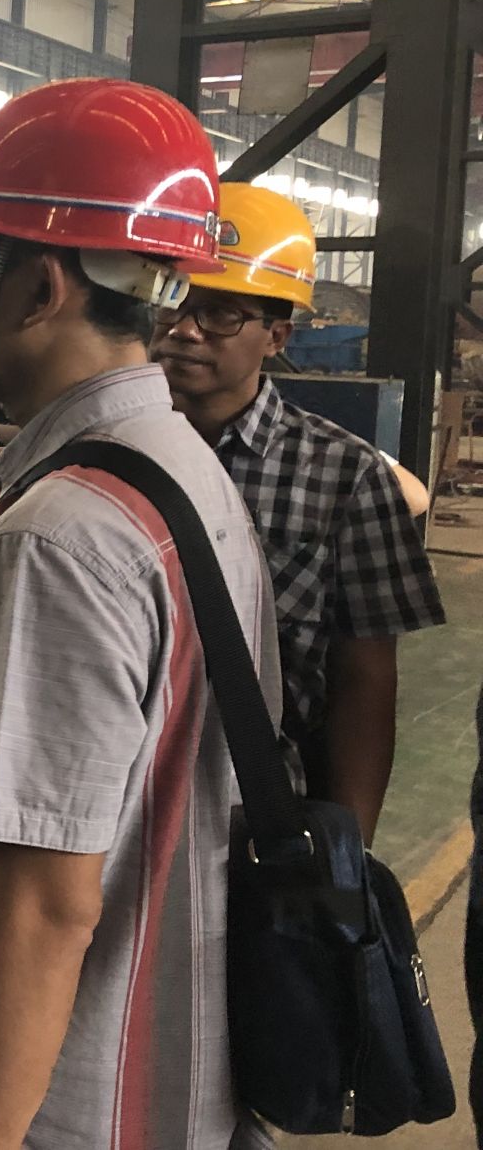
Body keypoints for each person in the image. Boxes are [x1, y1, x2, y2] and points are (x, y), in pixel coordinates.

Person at [0, 78, 280, 1150]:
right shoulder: (179, 469)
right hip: (164, 1075)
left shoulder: (61, 534)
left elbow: (45, 909)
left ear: (40, 287)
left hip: (59, 1109)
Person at [153, 182, 443, 843]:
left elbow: (364, 684)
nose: (185, 331)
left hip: (256, 814)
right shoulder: (107, 452)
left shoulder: (345, 477)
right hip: (115, 800)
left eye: (221, 314)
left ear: (277, 335)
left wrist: (347, 852)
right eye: (173, 301)